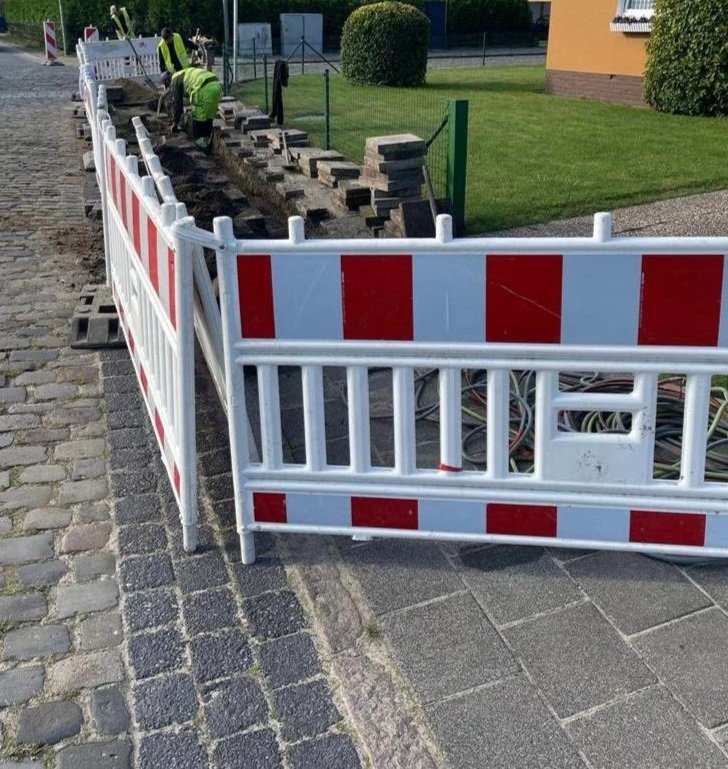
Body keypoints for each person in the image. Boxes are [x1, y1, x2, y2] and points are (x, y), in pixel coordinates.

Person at [162, 66, 222, 151]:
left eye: (167, 86)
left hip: (202, 88)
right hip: (216, 85)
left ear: (167, 81)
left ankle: (201, 148)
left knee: (198, 119)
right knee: (208, 117)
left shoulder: (174, 81)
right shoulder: (183, 73)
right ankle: (207, 143)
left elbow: (177, 104)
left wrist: (175, 123)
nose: (169, 88)